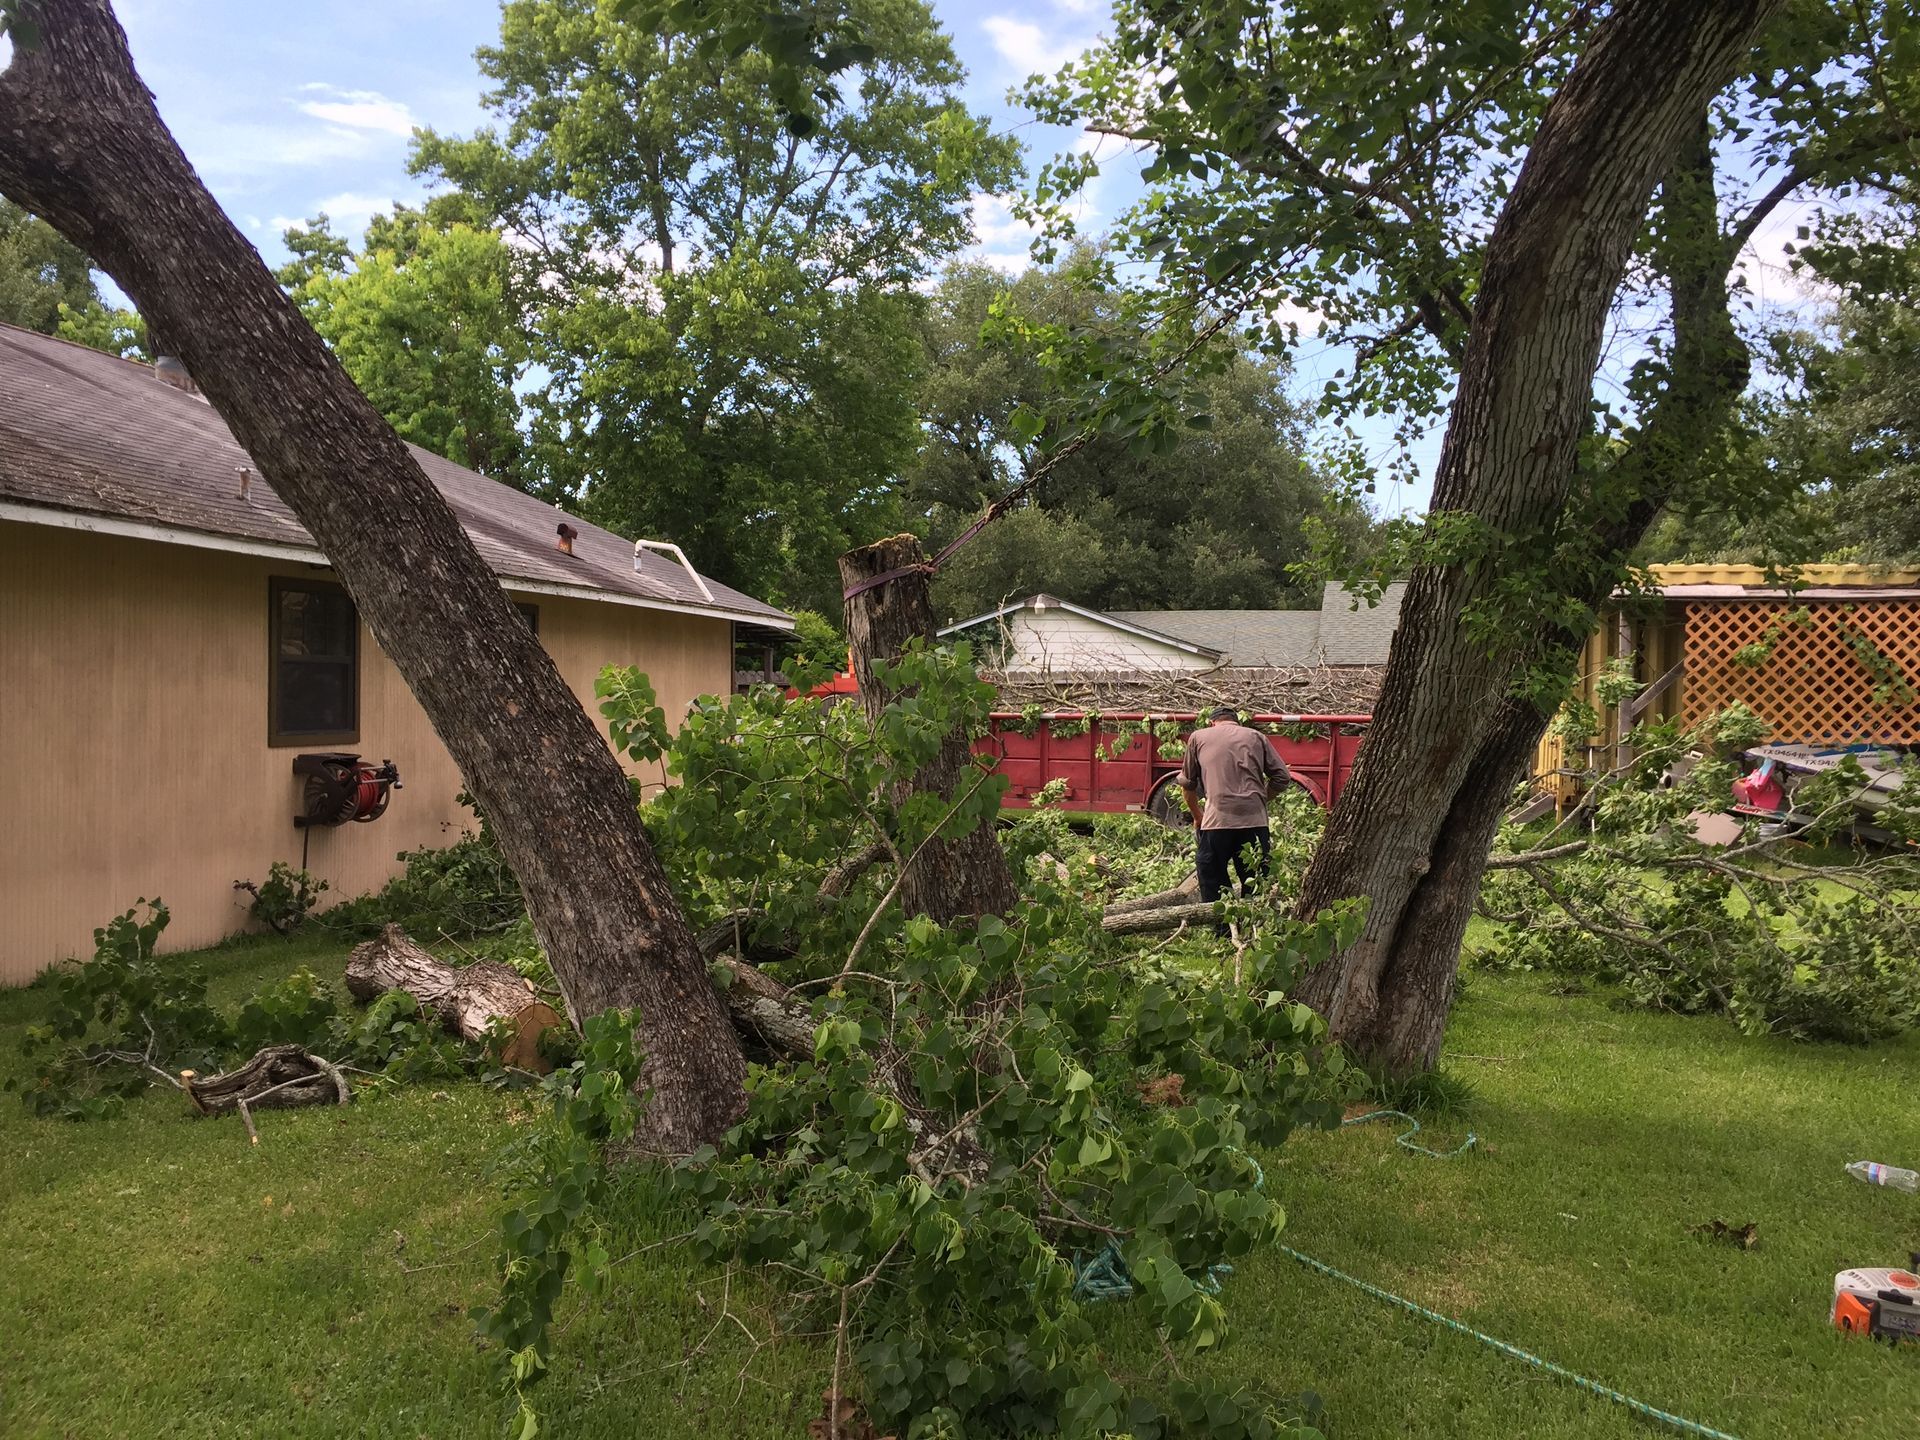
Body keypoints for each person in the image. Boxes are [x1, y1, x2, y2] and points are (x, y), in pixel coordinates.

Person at [1179, 712, 1291, 916]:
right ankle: (1254, 925)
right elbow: (1282, 777)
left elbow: (1187, 784)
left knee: (1210, 871)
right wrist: (1260, 799)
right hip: (1255, 822)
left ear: (1212, 722)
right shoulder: (1256, 737)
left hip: (1217, 822)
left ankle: (1222, 927)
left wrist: (1198, 816)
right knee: (1256, 877)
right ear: (1236, 722)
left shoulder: (1198, 737)